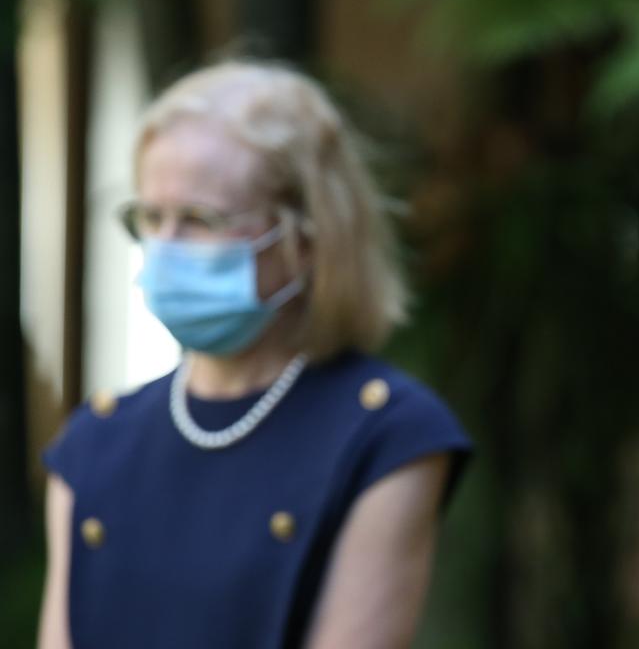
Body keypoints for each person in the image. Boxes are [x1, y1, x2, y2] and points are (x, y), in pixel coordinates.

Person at [37, 61, 471, 649]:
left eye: (199, 219)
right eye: (150, 216)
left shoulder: (384, 437)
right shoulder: (95, 443)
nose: (164, 247)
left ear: (305, 242)